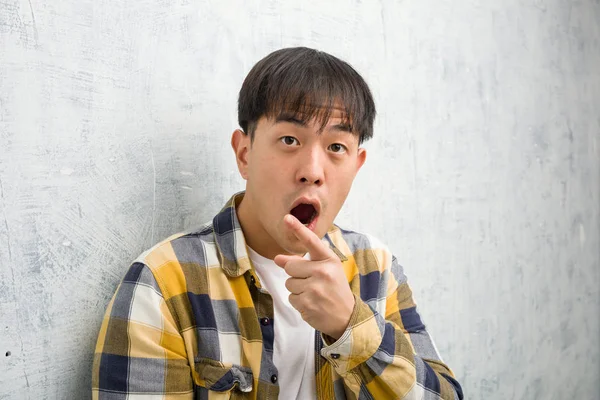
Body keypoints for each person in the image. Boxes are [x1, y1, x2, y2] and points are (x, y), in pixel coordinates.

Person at [92, 47, 463, 400]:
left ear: (357, 164)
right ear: (245, 153)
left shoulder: (376, 267)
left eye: (337, 148)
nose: (313, 172)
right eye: (289, 139)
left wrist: (352, 325)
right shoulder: (163, 282)